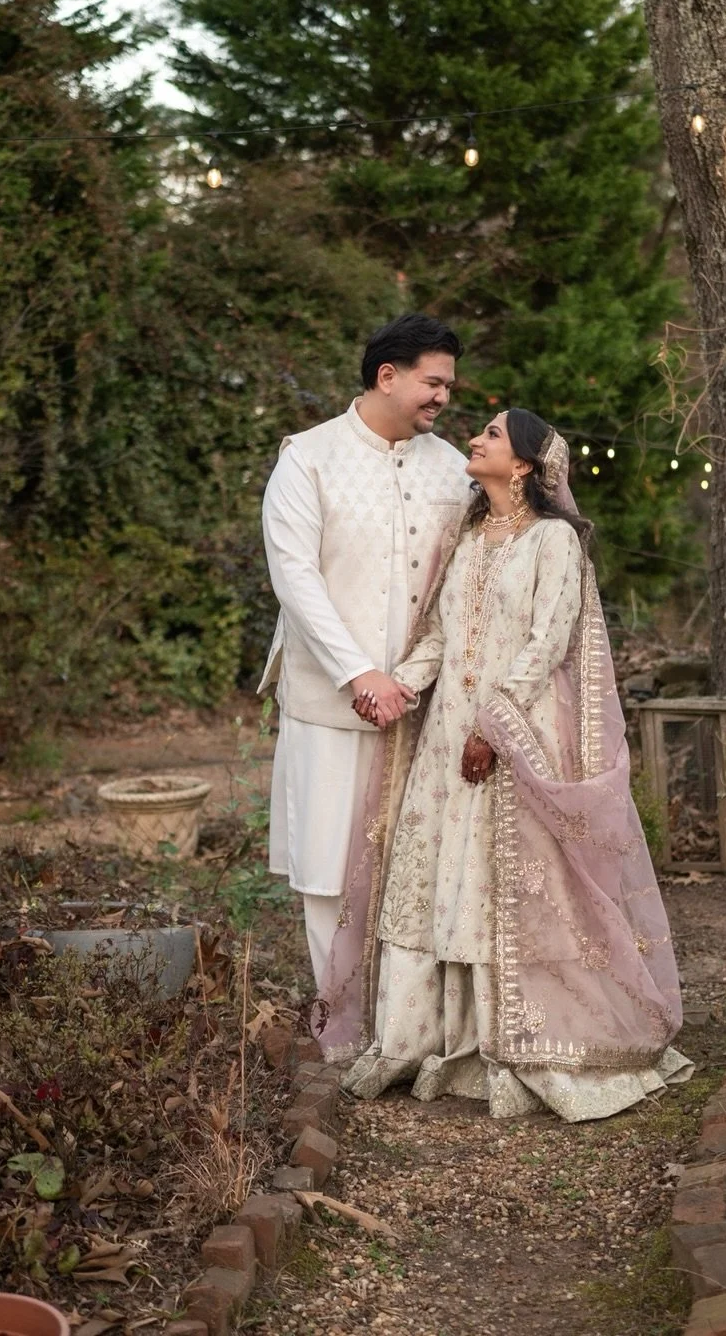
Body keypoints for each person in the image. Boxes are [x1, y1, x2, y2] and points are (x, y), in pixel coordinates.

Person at [336, 408, 689, 1120]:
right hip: (445, 741)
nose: (475, 439)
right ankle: (428, 1040)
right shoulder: (467, 537)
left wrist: (494, 729)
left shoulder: (553, 542)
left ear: (524, 465)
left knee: (501, 887)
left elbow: (547, 641)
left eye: (492, 434)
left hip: (513, 739)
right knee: (438, 874)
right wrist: (398, 688)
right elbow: (442, 636)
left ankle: (512, 1041)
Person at [259, 313, 472, 992]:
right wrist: (359, 673)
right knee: (330, 865)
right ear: (388, 376)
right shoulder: (308, 459)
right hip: (329, 700)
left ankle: (409, 1019)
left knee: (421, 861)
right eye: (433, 383)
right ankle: (339, 1015)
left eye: (448, 386)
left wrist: (418, 677)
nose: (443, 397)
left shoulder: (453, 470)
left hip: (427, 705)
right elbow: (294, 576)